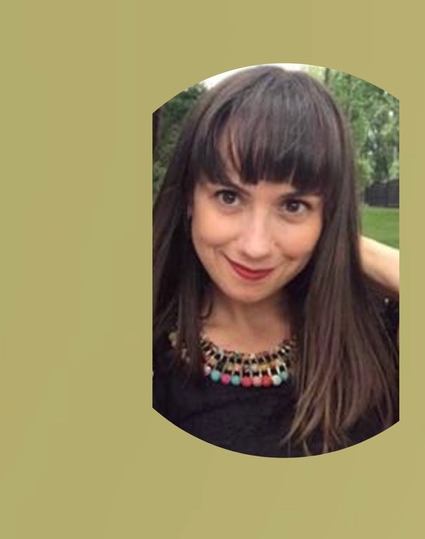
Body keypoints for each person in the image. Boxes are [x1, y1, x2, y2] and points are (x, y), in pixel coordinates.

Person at [153, 65, 399, 457]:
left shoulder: (377, 336)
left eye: (293, 205)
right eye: (229, 197)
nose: (255, 246)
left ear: (328, 216)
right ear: (189, 199)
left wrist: (345, 247)